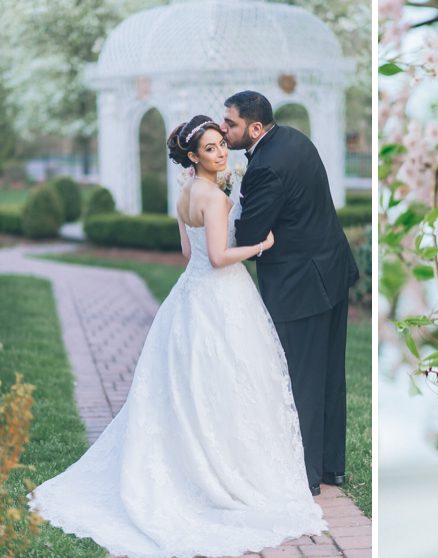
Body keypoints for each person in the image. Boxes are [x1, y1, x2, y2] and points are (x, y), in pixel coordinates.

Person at [28, 115, 326, 558]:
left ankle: (194, 461)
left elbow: (191, 254)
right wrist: (261, 246)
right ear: (193, 155)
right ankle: (226, 471)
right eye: (210, 148)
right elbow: (223, 258)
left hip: (190, 296)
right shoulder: (215, 198)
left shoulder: (186, 192)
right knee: (232, 382)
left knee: (192, 386)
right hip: (223, 298)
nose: (222, 152)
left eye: (222, 144)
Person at [221, 91, 359, 496]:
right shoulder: (294, 138)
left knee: (300, 377)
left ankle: (304, 474)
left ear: (256, 128)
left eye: (231, 124)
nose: (225, 130)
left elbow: (248, 235)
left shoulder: (265, 166)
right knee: (329, 375)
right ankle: (330, 466)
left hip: (300, 284)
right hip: (331, 270)